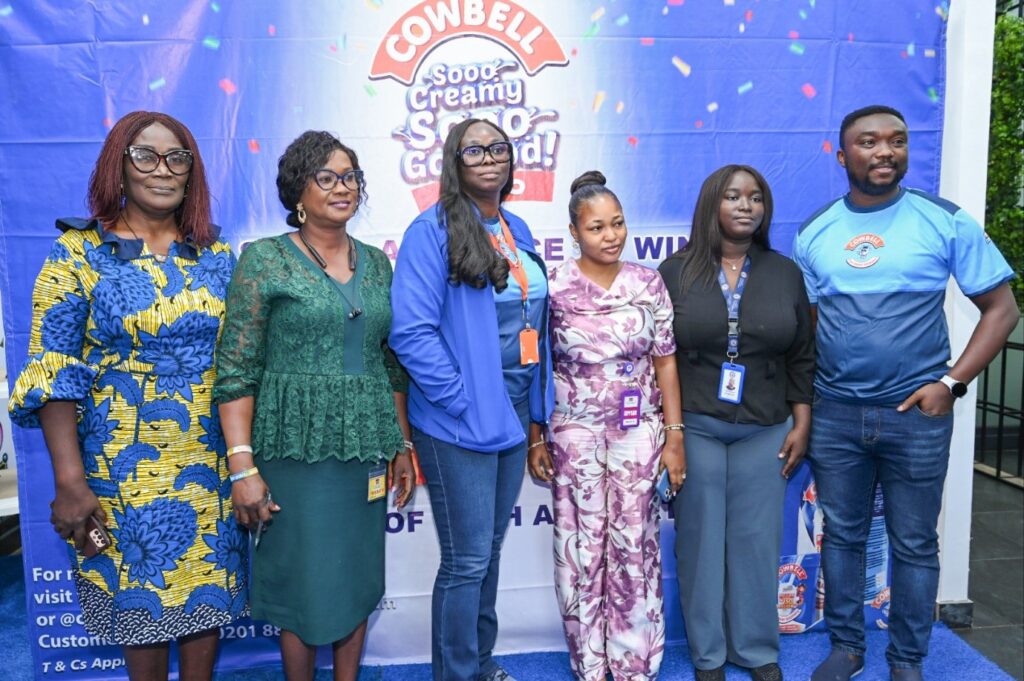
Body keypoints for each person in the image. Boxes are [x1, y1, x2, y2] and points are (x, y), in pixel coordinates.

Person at [8, 111, 243, 680]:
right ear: (119, 165)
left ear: (192, 172)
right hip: (121, 468)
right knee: (141, 604)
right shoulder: (77, 253)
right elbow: (54, 370)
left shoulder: (216, 255)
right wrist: (70, 481)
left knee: (206, 597)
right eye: (145, 156)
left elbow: (241, 361)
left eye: (177, 158)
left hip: (209, 464)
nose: (162, 169)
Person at [796, 105, 1019, 681]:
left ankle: (907, 659)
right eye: (868, 142)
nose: (885, 152)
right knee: (842, 537)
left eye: (896, 141)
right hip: (836, 414)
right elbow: (813, 329)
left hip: (916, 418)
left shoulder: (944, 220)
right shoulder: (814, 231)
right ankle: (847, 649)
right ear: (842, 155)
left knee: (915, 543)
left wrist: (951, 383)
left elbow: (1002, 310)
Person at [214, 130, 415, 681]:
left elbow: (390, 363)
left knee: (356, 575)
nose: (342, 187)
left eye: (350, 177)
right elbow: (236, 369)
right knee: (300, 581)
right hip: (292, 451)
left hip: (364, 449)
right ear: (297, 191)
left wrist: (401, 443)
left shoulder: (377, 263)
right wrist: (242, 466)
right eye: (326, 177)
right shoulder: (265, 260)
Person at [389, 118, 554, 681]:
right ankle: (457, 674)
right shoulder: (430, 231)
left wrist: (533, 413)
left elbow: (533, 319)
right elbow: (411, 331)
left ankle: (480, 663)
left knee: (489, 551)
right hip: (457, 420)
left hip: (513, 411)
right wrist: (460, 398)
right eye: (474, 150)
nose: (488, 158)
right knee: (467, 560)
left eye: (498, 148)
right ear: (454, 162)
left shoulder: (516, 226)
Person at [659, 165, 815, 681]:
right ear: (712, 204)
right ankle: (708, 655)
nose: (746, 205)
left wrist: (802, 421)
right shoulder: (675, 272)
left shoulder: (784, 272)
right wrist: (671, 432)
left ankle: (755, 650)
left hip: (767, 429)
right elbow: (659, 357)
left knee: (756, 542)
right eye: (733, 196)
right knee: (700, 543)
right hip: (696, 426)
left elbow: (802, 354)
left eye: (756, 197)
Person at [528, 171, 685, 681]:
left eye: (618, 223)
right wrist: (536, 436)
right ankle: (590, 662)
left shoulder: (648, 282)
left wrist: (675, 436)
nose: (611, 235)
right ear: (574, 232)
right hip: (573, 434)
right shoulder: (553, 287)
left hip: (638, 432)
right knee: (583, 545)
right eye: (597, 227)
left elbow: (665, 361)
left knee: (635, 543)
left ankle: (635, 662)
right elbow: (536, 366)